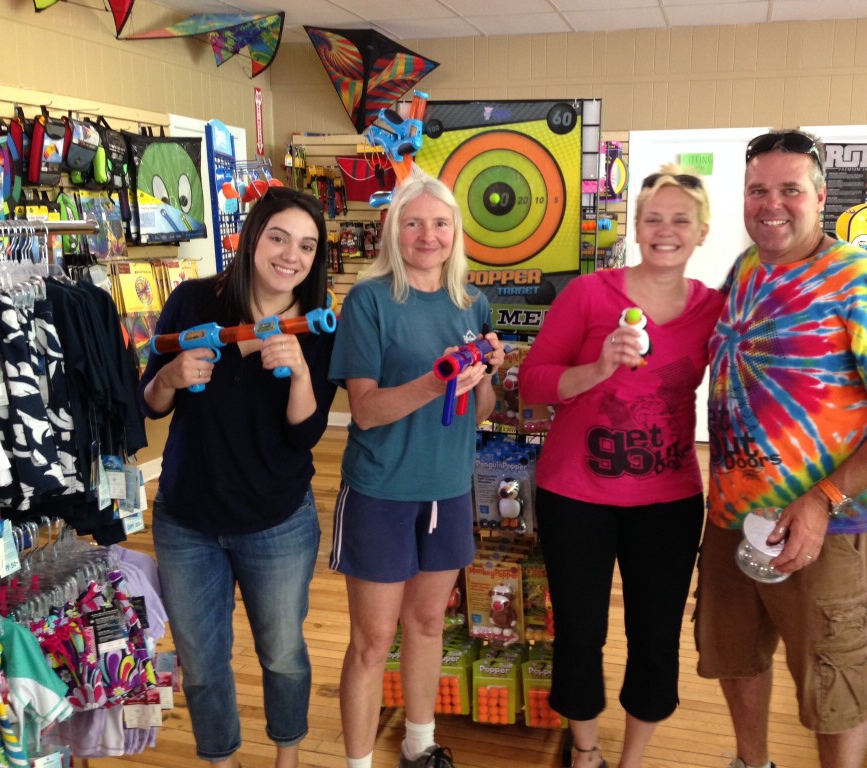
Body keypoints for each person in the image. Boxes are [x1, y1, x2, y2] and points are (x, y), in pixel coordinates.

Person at [695, 129, 867, 768]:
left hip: (830, 527)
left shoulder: (865, 282)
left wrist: (825, 496)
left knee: (836, 680)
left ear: (820, 196)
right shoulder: (746, 268)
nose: (771, 203)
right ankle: (752, 763)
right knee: (736, 655)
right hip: (731, 517)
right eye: (758, 189)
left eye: (789, 189)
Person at [518, 165, 725, 768]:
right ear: (636, 227)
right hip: (575, 495)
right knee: (580, 635)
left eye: (680, 220)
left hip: (668, 501)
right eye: (653, 219)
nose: (666, 230)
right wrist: (599, 368)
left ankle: (631, 759)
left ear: (702, 232)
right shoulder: (588, 294)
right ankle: (585, 752)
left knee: (656, 641)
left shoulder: (714, 309)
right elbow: (532, 385)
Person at [139, 186, 337, 768]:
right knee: (200, 661)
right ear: (253, 237)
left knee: (282, 654)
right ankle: (220, 760)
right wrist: (172, 375)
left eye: (306, 245)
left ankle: (288, 757)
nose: (290, 255)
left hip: (276, 519)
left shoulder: (320, 328)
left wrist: (300, 374)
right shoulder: (193, 302)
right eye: (278, 237)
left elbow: (305, 436)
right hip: (186, 519)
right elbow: (149, 403)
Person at [328, 170, 503, 768]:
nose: (428, 235)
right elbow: (368, 411)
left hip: (448, 490)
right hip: (381, 490)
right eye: (413, 223)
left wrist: (486, 372)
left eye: (440, 223)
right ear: (392, 232)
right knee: (373, 641)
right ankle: (357, 763)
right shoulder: (370, 300)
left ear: (456, 232)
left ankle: (420, 748)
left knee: (429, 625)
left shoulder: (470, 303)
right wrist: (434, 381)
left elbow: (482, 411)